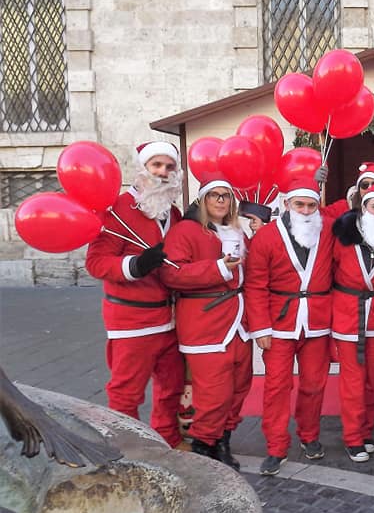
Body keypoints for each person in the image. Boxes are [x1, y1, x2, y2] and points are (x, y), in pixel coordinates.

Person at [84, 141, 185, 448]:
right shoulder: (118, 209)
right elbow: (96, 262)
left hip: (169, 319)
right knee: (127, 391)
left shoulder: (175, 213)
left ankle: (167, 439)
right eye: (156, 165)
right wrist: (136, 265)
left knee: (171, 386)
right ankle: (126, 447)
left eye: (169, 167)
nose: (163, 173)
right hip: (132, 320)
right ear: (143, 169)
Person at [244, 178, 334, 476]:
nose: (306, 210)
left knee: (313, 385)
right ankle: (276, 447)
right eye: (300, 204)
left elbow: (355, 209)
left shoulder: (328, 230)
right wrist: (260, 328)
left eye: (311, 205)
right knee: (276, 387)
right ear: (286, 204)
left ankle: (309, 436)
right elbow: (255, 285)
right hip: (279, 322)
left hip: (317, 321)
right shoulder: (266, 237)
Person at [160, 178, 252, 467]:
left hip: (239, 322)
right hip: (206, 322)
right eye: (215, 195)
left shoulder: (238, 230)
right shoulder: (185, 231)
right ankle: (203, 445)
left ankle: (222, 440)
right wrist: (217, 268)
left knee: (239, 386)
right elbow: (172, 274)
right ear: (202, 200)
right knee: (214, 393)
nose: (221, 201)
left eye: (226, 196)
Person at [331, 180, 374, 463]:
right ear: (364, 208)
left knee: (373, 378)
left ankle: (366, 430)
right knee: (353, 380)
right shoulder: (342, 236)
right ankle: (352, 437)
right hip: (348, 312)